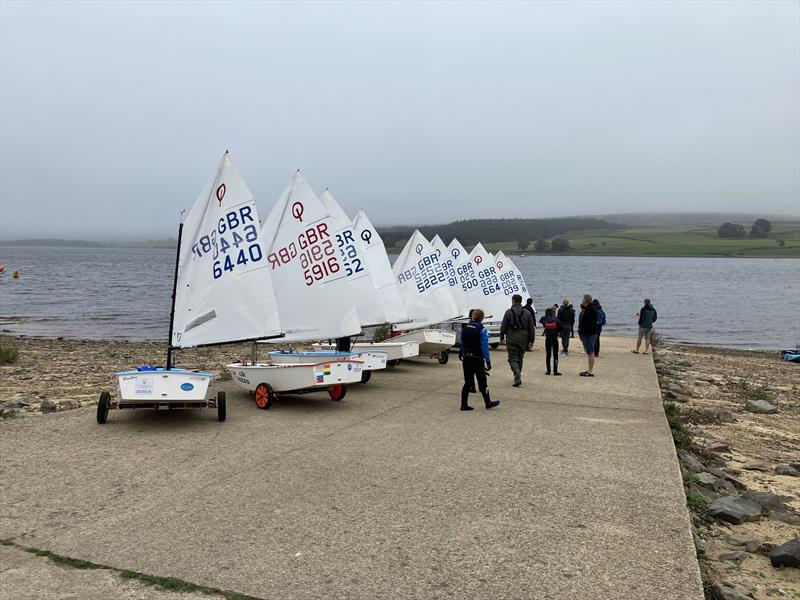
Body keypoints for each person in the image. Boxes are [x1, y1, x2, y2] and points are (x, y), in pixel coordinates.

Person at [459, 309, 499, 411]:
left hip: (467, 357)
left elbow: (462, 342)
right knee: (482, 382)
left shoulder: (465, 328)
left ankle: (464, 405)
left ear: (472, 316)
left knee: (467, 382)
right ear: (482, 318)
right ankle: (488, 402)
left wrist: (462, 353)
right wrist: (488, 361)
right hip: (477, 358)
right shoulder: (482, 329)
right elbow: (484, 346)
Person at [499, 294, 535, 387]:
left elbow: (504, 326)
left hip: (512, 337)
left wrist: (501, 336)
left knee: (512, 358)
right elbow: (531, 328)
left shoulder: (508, 312)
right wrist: (532, 340)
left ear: (513, 301)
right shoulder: (527, 313)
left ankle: (517, 375)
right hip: (523, 338)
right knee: (520, 357)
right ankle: (518, 375)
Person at [577, 294, 598, 377]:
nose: (581, 300)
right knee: (590, 352)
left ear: (585, 300)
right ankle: (589, 370)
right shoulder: (589, 308)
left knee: (590, 352)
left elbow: (588, 323)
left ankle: (590, 371)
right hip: (589, 333)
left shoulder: (590, 310)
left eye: (582, 299)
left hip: (589, 334)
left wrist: (582, 331)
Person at [539, 307, 562, 376]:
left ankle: (548, 370)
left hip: (548, 338)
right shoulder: (556, 320)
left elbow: (542, 323)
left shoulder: (544, 319)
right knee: (555, 355)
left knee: (548, 355)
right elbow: (561, 327)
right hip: (555, 338)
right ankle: (555, 371)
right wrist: (557, 331)